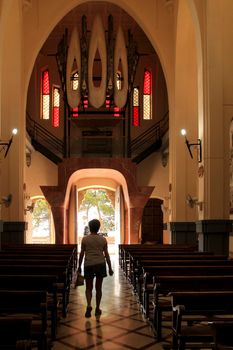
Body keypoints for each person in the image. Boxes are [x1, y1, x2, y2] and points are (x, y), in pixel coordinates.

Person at [78, 218, 114, 318]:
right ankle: (97, 308)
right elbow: (106, 255)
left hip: (88, 264)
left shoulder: (85, 239)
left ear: (89, 228)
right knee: (99, 288)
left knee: (88, 287)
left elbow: (81, 254)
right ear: (98, 228)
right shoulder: (103, 239)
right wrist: (110, 268)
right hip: (100, 264)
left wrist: (79, 266)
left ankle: (89, 305)